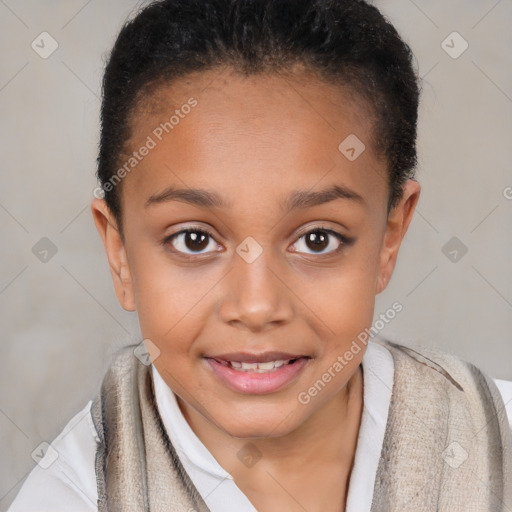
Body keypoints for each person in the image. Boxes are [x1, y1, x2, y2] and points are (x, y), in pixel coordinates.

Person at [8, 0, 512, 511]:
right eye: (194, 240)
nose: (256, 305)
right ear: (119, 253)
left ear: (390, 236)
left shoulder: (495, 450)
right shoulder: (66, 498)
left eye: (318, 239)